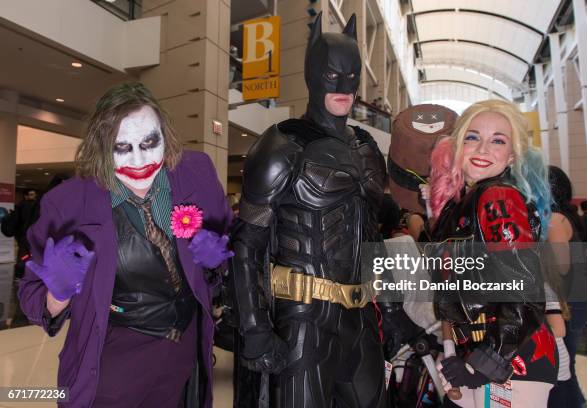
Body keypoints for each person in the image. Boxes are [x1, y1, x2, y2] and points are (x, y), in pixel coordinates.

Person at [229, 13, 410, 407]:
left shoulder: (366, 148)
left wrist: (394, 312)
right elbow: (246, 245)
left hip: (361, 320)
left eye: (351, 76)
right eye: (331, 75)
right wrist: (255, 326)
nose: (343, 85)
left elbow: (372, 238)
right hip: (303, 320)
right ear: (313, 74)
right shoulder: (281, 146)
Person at [18, 83, 233, 408]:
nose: (139, 160)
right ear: (101, 147)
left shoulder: (196, 173)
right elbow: (33, 300)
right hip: (113, 362)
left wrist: (217, 261)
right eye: (122, 147)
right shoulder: (68, 203)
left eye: (150, 142)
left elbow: (230, 251)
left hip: (183, 355)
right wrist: (58, 293)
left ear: (165, 135)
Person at [428, 100, 557, 407]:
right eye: (472, 137)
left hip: (511, 363)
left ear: (512, 155)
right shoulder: (461, 204)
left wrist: (485, 363)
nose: (483, 149)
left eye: (497, 140)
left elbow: (524, 290)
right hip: (482, 357)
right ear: (458, 146)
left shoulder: (497, 197)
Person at [546, 166, 587, 408]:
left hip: (571, 301)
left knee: (564, 368)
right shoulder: (562, 215)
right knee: (565, 366)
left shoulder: (554, 219)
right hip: (576, 297)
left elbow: (560, 268)